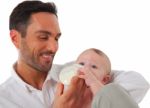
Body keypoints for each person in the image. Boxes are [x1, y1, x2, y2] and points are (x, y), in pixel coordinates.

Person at [0, 1, 149, 108]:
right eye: (43, 37)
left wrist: (92, 96)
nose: (54, 47)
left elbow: (138, 84)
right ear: (16, 39)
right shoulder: (4, 100)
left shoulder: (74, 71)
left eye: (56, 38)